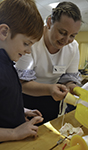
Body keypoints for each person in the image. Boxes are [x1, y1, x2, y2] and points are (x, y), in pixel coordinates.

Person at [15, 1, 82, 124]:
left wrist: (73, 88)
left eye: (73, 35)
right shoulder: (33, 40)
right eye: (62, 32)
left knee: (49, 133)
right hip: (26, 97)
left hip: (52, 99)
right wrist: (50, 89)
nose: (66, 40)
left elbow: (68, 79)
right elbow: (22, 83)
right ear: (50, 22)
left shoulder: (73, 47)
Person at [0, 0, 45, 142]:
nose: (28, 51)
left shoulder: (7, 62)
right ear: (4, 32)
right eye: (26, 43)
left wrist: (20, 110)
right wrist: (14, 133)